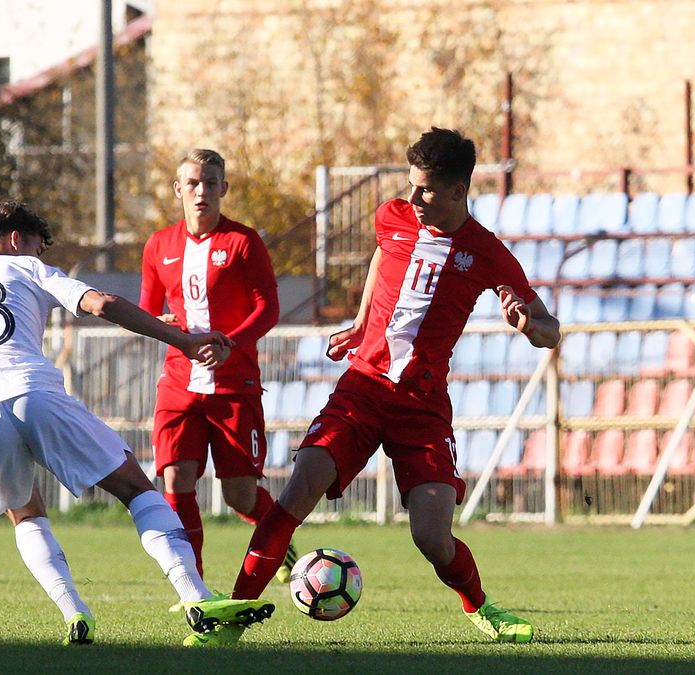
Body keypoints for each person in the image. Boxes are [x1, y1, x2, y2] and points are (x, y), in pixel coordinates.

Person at [184, 128, 561, 647]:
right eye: (410, 186)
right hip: (361, 387)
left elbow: (550, 332)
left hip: (422, 407)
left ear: (457, 191)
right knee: (298, 489)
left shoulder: (487, 253)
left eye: (425, 189)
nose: (412, 199)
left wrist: (528, 326)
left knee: (432, 537)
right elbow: (384, 254)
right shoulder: (394, 217)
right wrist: (363, 324)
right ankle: (231, 619)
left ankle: (482, 606)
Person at [0, 200, 273, 646]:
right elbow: (101, 303)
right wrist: (182, 340)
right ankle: (196, 595)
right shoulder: (26, 268)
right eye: (35, 246)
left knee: (26, 514)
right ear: (15, 240)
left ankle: (75, 613)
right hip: (34, 394)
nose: (39, 256)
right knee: (136, 489)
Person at [140, 149, 294, 584]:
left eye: (210, 183)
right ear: (178, 189)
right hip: (178, 385)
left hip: (233, 386)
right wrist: (161, 325)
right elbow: (147, 310)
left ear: (223, 188)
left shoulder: (244, 242)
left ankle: (280, 541)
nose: (201, 191)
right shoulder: (159, 245)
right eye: (192, 183)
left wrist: (233, 344)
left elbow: (268, 308)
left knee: (241, 496)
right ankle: (196, 585)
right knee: (176, 479)